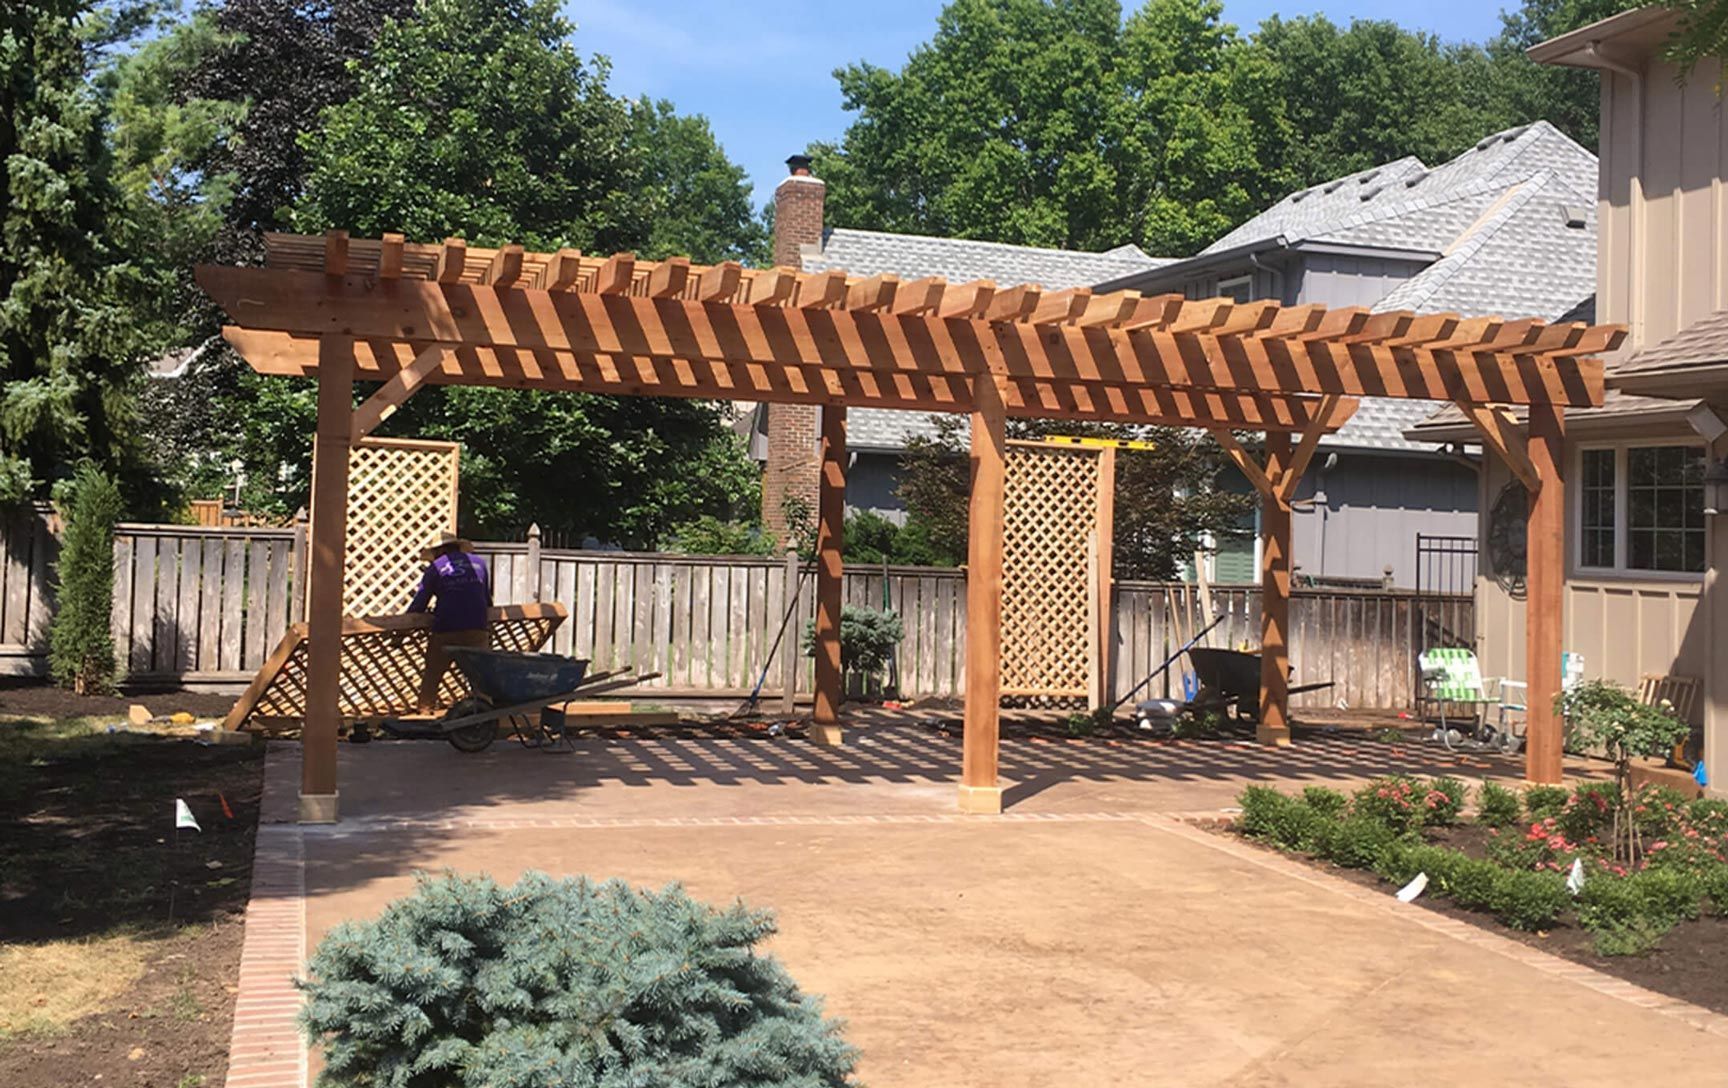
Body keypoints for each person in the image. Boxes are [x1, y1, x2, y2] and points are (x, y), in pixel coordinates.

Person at [408, 532, 492, 713]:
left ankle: (425, 711)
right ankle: (484, 712)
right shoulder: (479, 563)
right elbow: (486, 599)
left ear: (440, 551)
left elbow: (420, 603)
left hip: (447, 627)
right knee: (481, 674)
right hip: (477, 626)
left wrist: (403, 626)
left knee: (433, 673)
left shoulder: (435, 568)